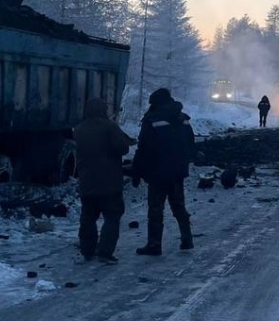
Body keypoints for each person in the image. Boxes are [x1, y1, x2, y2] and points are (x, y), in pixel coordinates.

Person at [132, 88, 195, 256]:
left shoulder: (152, 119)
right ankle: (187, 238)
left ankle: (154, 244)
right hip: (177, 171)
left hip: (157, 172)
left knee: (155, 209)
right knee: (179, 206)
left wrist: (136, 171)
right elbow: (190, 142)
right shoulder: (182, 119)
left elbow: (143, 148)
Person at [73, 97, 132, 263]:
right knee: (112, 216)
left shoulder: (79, 128)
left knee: (88, 217)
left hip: (87, 181)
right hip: (109, 182)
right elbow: (122, 148)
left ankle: (87, 250)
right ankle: (105, 252)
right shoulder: (110, 126)